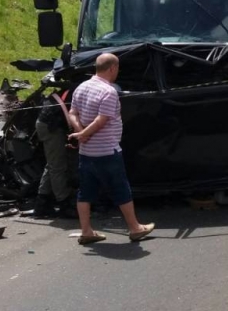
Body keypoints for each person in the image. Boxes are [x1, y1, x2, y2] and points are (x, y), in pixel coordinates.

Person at [68, 53, 154, 245]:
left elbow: (72, 113)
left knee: (85, 192)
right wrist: (84, 134)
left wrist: (81, 132)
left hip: (86, 152)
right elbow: (101, 120)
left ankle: (86, 231)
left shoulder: (81, 87)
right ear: (112, 68)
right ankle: (134, 228)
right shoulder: (109, 92)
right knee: (121, 189)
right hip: (107, 151)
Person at [31, 95, 78, 219]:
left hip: (48, 123)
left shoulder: (74, 86)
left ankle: (42, 203)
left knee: (52, 163)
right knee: (57, 166)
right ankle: (64, 204)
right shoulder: (82, 88)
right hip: (52, 125)